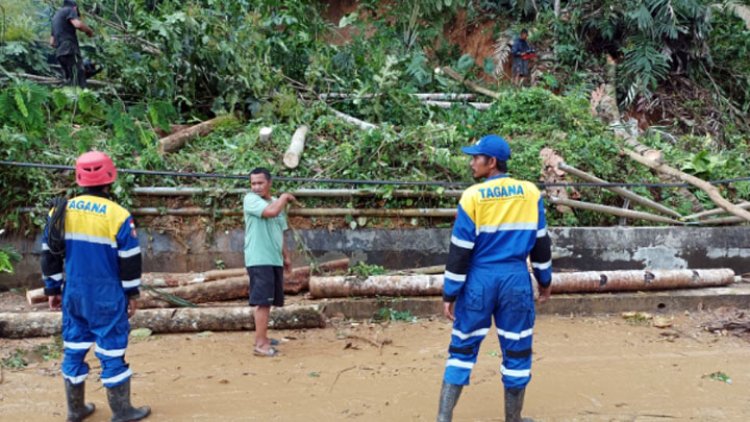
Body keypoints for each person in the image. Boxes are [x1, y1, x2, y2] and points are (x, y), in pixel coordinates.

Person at [436, 135, 552, 422]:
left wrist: (450, 293)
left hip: (479, 281)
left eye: (477, 157)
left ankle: (443, 418)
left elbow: (460, 251)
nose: (472, 162)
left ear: (492, 162)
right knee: (517, 350)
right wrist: (545, 281)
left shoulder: (472, 197)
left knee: (462, 349)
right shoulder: (530, 193)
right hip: (515, 281)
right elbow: (541, 243)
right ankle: (513, 419)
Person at [42, 151, 150, 422]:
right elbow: (129, 260)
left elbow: (49, 254)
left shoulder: (60, 211)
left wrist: (52, 289)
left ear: (79, 178)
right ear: (110, 178)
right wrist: (132, 293)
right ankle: (122, 411)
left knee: (74, 347)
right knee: (111, 348)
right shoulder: (118, 215)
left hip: (74, 294)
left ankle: (75, 409)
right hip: (107, 295)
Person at [243, 168, 295, 357]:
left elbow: (279, 232)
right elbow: (271, 212)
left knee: (269, 300)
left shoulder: (275, 203)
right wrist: (284, 197)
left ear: (269, 183)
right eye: (253, 183)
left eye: (260, 183)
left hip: (273, 258)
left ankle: (263, 337)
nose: (256, 187)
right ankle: (260, 345)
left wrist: (286, 256)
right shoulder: (251, 200)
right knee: (262, 302)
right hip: (259, 258)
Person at [50, 0, 94, 87]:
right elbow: (78, 25)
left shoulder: (55, 17)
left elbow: (52, 42)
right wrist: (89, 31)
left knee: (70, 82)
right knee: (80, 82)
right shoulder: (70, 10)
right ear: (75, 8)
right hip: (70, 50)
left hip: (60, 54)